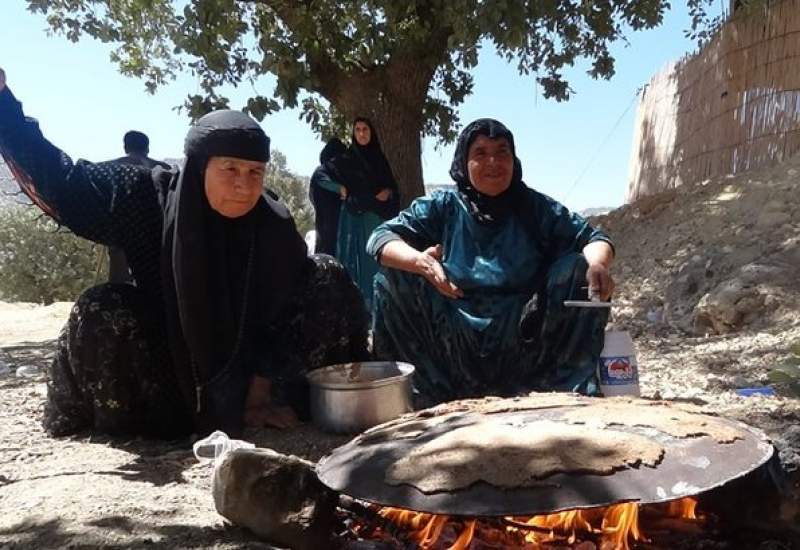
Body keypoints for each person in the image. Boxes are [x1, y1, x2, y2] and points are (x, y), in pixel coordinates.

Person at [0, 68, 368, 438]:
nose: (244, 185)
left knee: (327, 274)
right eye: (230, 169)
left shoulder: (273, 226)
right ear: (199, 167)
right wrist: (5, 108)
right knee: (103, 305)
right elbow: (64, 186)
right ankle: (143, 428)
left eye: (255, 172)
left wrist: (257, 395)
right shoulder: (144, 196)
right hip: (171, 365)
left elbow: (280, 319)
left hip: (257, 370)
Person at [367, 118, 616, 407]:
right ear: (464, 161)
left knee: (578, 268)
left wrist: (598, 266)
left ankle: (565, 390)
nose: (493, 162)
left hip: (523, 340)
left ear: (514, 160)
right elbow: (380, 238)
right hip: (453, 340)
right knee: (392, 278)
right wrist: (420, 262)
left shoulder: (536, 207)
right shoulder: (444, 206)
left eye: (502, 152)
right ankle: (423, 395)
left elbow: (594, 238)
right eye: (481, 154)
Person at [315, 118, 400, 309]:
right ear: (353, 133)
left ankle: (377, 311)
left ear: (372, 133)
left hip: (375, 219)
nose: (362, 133)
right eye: (358, 129)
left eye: (365, 129)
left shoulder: (379, 159)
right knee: (354, 266)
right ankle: (355, 312)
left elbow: (392, 188)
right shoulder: (346, 159)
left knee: (375, 264)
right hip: (353, 220)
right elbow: (320, 174)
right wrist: (339, 188)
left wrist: (388, 192)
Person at [107, 131, 171, 284]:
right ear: (147, 148)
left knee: (120, 275)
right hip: (158, 227)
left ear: (125, 147)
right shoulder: (164, 168)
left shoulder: (112, 167)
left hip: (122, 228)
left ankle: (121, 296)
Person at [308, 139, 347, 256]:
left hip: (325, 231)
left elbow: (311, 197)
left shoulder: (319, 173)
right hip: (340, 231)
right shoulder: (325, 173)